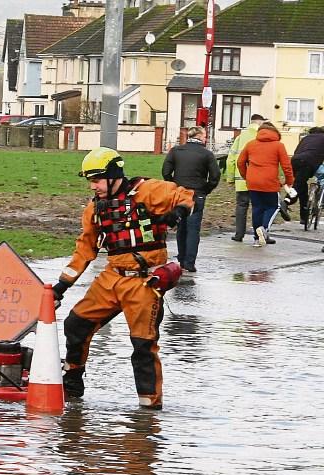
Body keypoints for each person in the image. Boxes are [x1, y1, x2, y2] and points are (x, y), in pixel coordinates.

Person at [52, 147, 195, 409]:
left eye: (97, 180)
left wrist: (178, 213)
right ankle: (72, 382)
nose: (93, 186)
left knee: (143, 344)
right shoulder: (94, 209)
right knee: (75, 324)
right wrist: (61, 286)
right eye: (90, 181)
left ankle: (149, 409)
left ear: (114, 176)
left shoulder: (148, 191)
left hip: (144, 282)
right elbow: (85, 249)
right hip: (112, 277)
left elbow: (185, 195)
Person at [161, 125, 220, 272]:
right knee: (193, 228)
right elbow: (215, 176)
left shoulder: (176, 151)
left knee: (181, 226)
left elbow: (166, 171)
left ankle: (181, 258)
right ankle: (189, 262)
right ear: (199, 136)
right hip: (197, 194)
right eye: (205, 136)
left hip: (179, 193)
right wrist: (206, 189)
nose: (206, 138)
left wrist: (174, 186)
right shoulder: (207, 154)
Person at [237, 122, 294, 247]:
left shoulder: (251, 144)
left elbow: (240, 162)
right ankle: (264, 229)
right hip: (269, 182)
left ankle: (257, 239)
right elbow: (286, 166)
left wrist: (246, 176)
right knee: (273, 207)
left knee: (257, 208)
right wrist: (289, 181)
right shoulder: (278, 145)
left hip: (253, 182)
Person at [225, 113, 264, 242]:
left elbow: (231, 159)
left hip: (241, 180)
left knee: (241, 207)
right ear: (259, 123)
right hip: (258, 180)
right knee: (258, 207)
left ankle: (239, 234)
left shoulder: (240, 137)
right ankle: (259, 234)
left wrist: (230, 178)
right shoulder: (262, 136)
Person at [290, 126, 324, 229]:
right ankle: (289, 200)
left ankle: (304, 216)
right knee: (302, 183)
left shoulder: (306, 138)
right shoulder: (322, 138)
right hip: (309, 162)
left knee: (301, 185)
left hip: (295, 161)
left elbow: (297, 151)